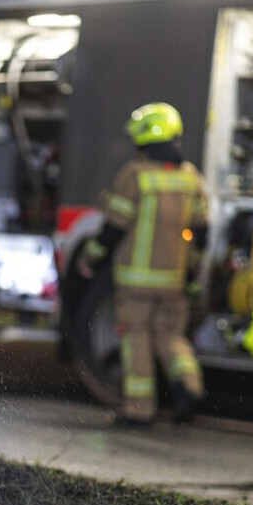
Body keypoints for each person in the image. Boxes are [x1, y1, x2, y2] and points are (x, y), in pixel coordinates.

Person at [76, 102, 207, 425]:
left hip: (136, 281)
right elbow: (202, 233)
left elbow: (112, 229)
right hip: (174, 281)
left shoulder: (135, 176)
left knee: (136, 338)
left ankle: (139, 409)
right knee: (171, 336)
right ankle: (188, 389)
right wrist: (191, 273)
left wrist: (89, 258)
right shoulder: (191, 179)